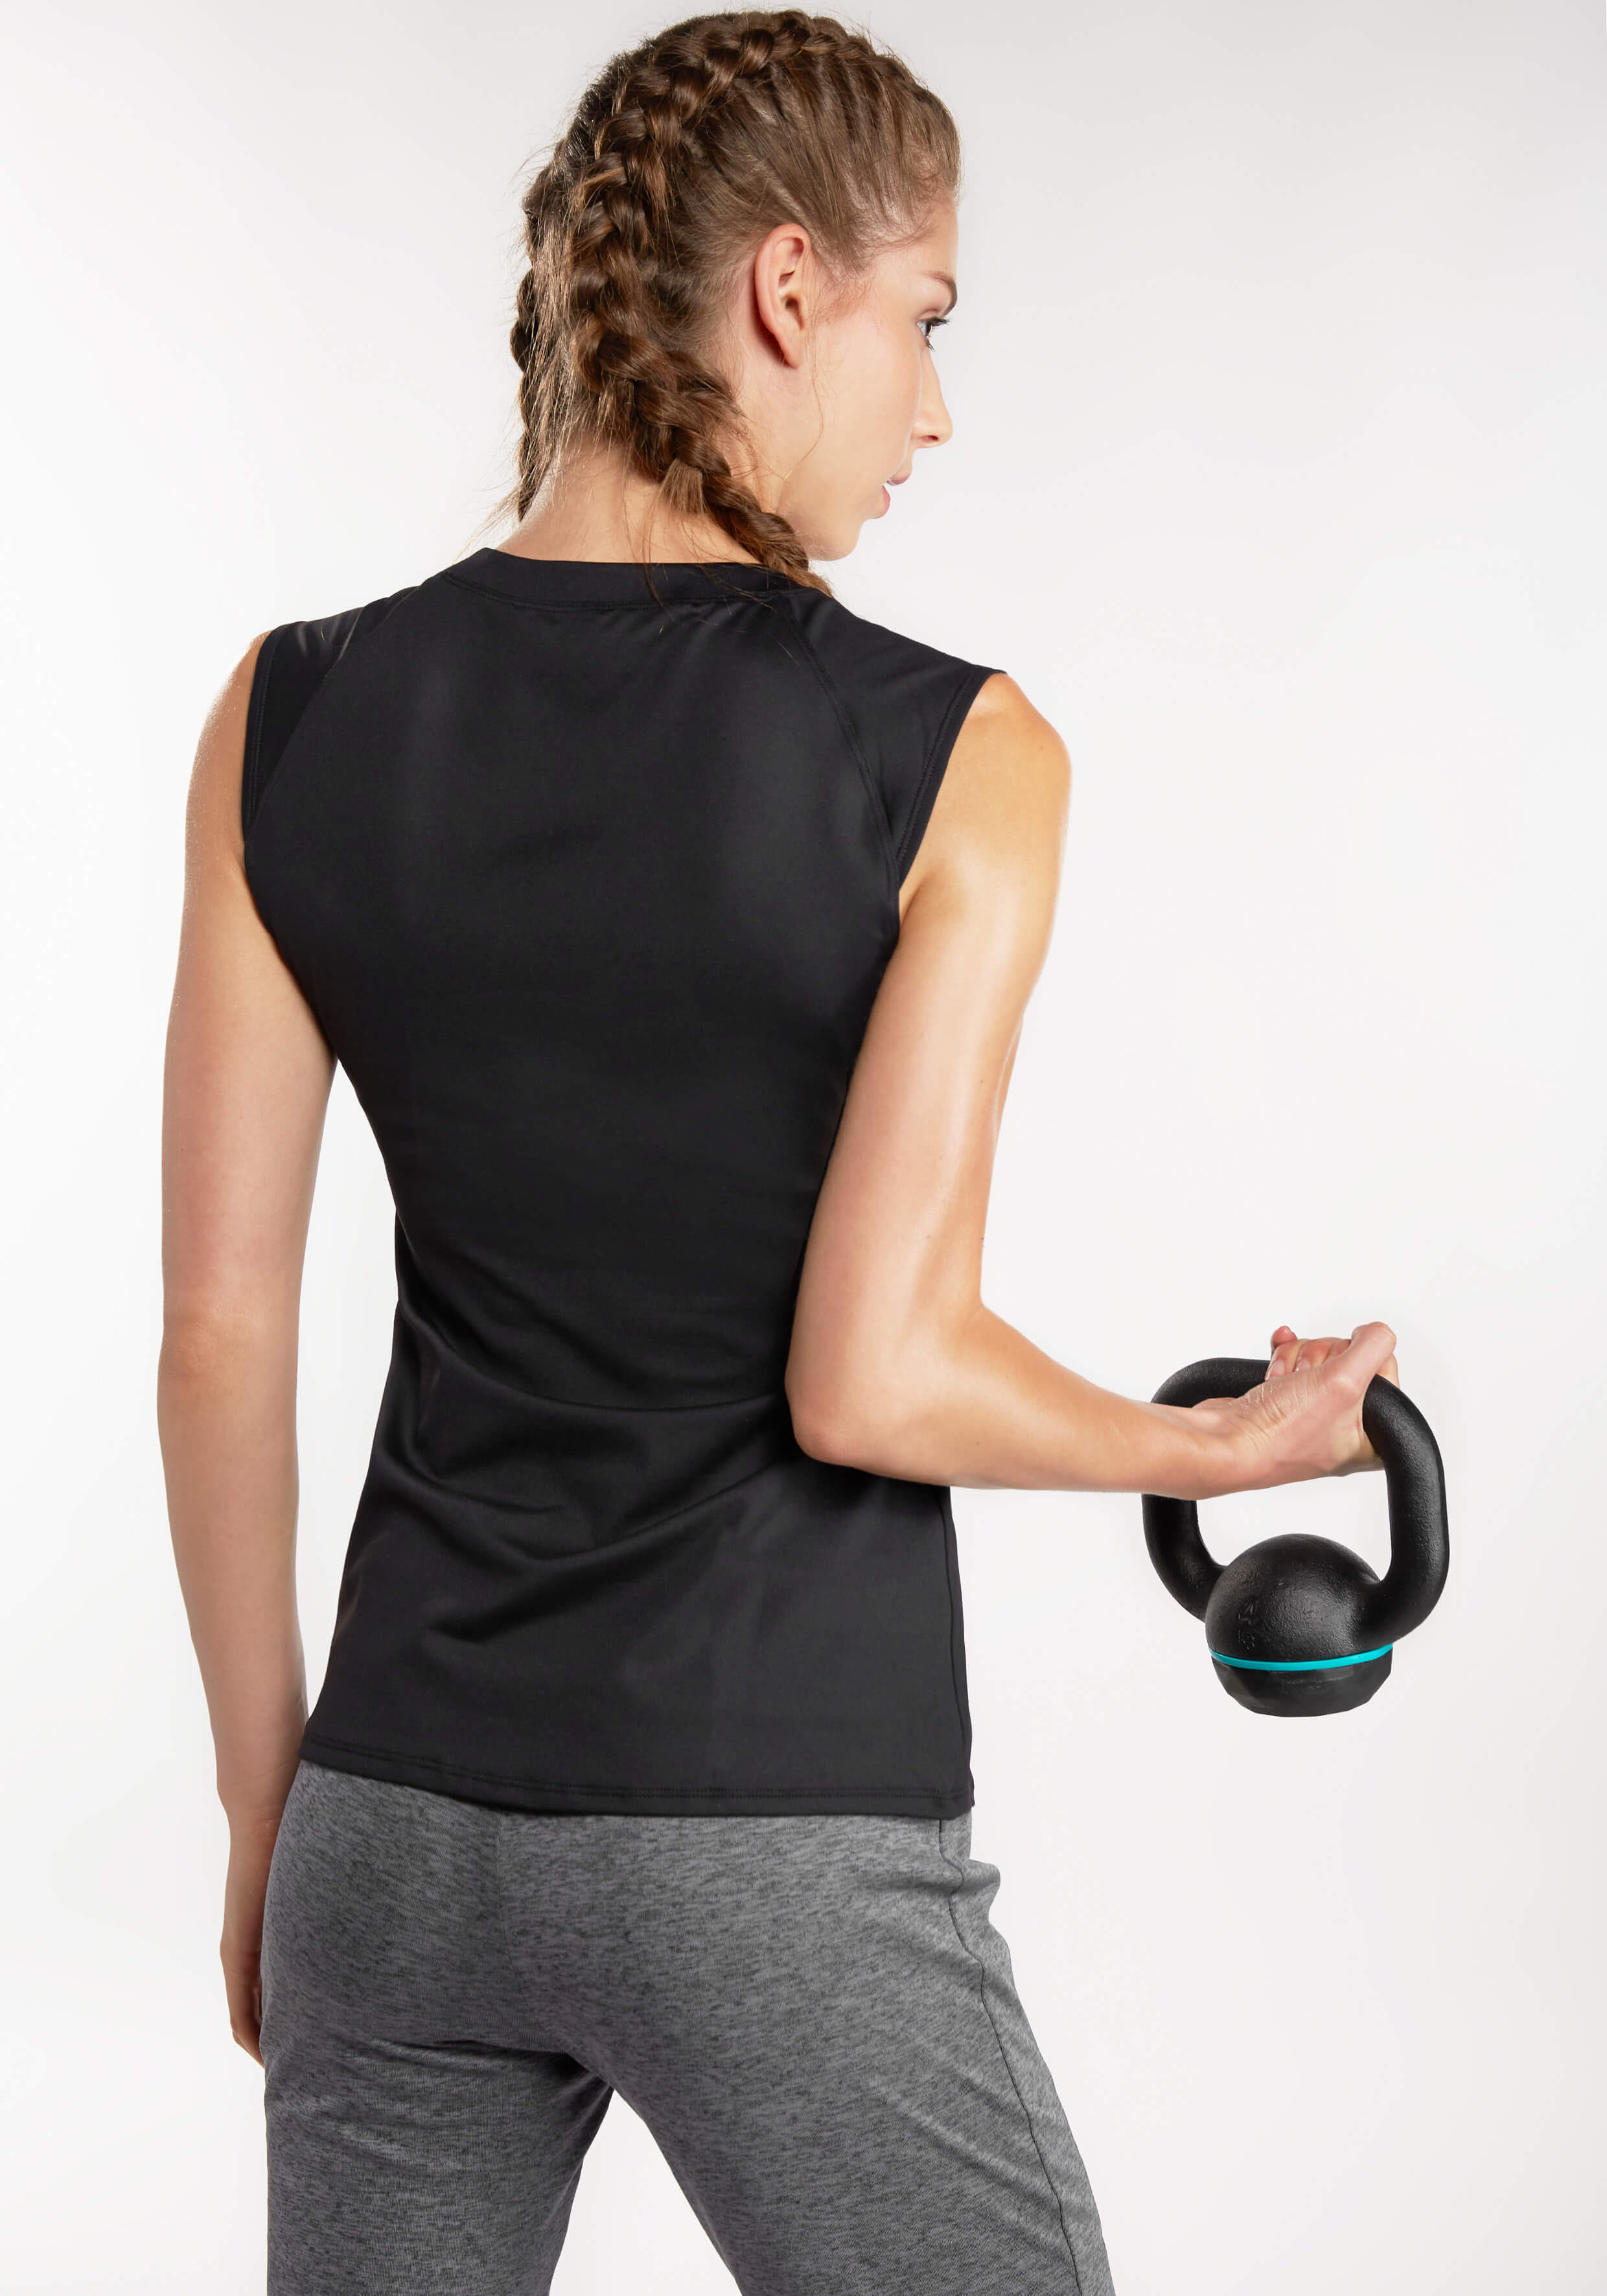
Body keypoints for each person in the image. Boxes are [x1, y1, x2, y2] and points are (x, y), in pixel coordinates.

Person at [158, 12, 1399, 2293]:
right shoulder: (958, 757)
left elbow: (219, 1336)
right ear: (790, 287)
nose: (936, 411)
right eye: (927, 322)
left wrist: (271, 1806)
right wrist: (1217, 1448)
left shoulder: (289, 712)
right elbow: (874, 1375)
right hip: (769, 1823)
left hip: (391, 1827)